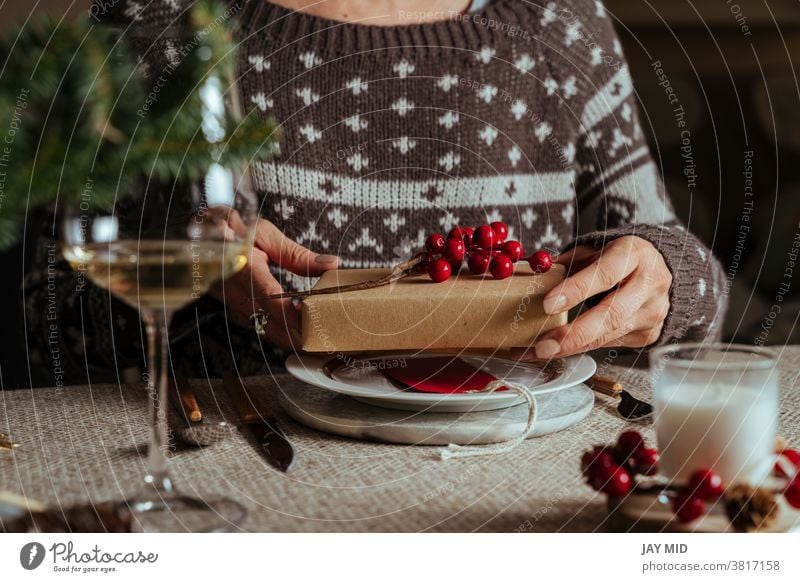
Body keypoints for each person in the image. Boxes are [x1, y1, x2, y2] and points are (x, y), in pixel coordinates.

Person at [24, 0, 726, 386]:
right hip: (242, 481)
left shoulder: (561, 24)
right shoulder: (156, 23)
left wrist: (671, 280)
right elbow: (39, 312)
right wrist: (178, 255)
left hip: (515, 466)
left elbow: (691, 295)